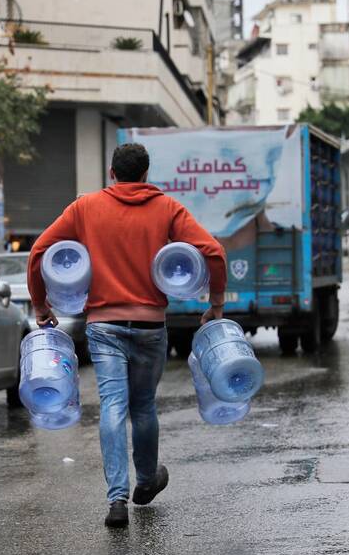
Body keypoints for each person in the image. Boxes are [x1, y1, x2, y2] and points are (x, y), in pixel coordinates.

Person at [26, 143, 227, 528]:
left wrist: (40, 305)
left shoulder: (85, 207)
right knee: (144, 407)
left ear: (111, 172)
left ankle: (117, 500)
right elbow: (213, 252)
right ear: (146, 174)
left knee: (113, 408)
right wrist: (215, 303)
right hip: (151, 324)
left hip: (104, 326)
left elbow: (39, 251)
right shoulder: (167, 208)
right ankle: (147, 481)